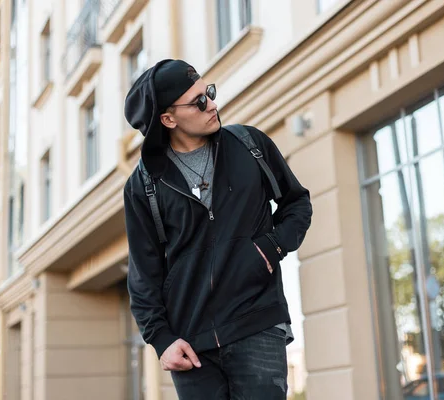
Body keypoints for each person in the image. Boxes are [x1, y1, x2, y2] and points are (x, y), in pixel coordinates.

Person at [123, 59, 312, 399]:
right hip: (193, 346)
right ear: (168, 119)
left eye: (208, 92)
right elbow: (143, 276)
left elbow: (296, 203)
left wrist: (270, 248)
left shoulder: (249, 145)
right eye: (198, 101)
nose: (212, 104)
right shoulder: (143, 186)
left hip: (258, 325)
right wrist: (162, 341)